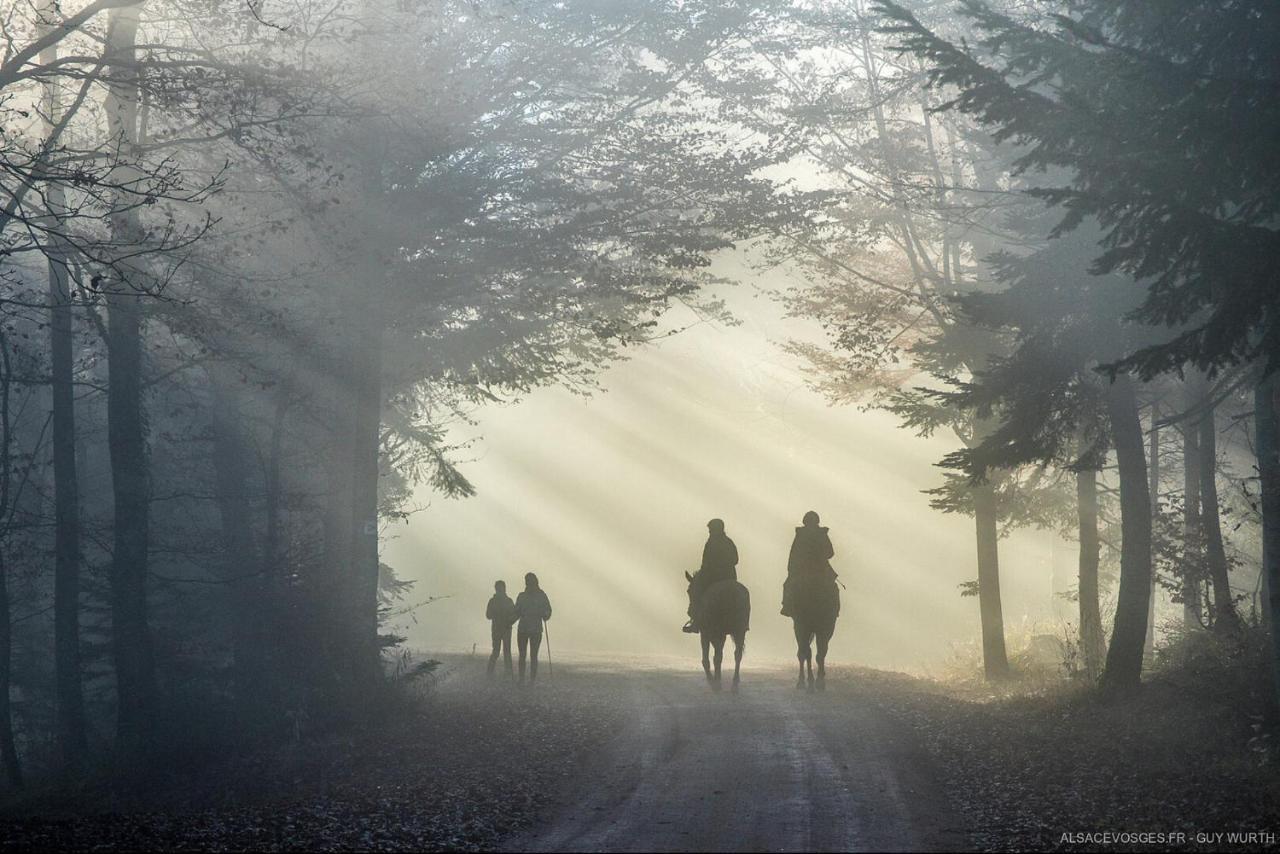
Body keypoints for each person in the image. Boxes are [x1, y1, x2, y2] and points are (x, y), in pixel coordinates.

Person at [683, 518, 739, 633]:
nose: (709, 533)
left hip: (714, 578)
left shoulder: (710, 543)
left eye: (711, 530)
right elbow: (736, 559)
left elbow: (705, 563)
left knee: (698, 593)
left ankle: (695, 622)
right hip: (730, 577)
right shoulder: (729, 542)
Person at [781, 510, 837, 617]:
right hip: (820, 569)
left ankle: (787, 606)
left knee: (788, 585)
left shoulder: (801, 535)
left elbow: (793, 554)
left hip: (805, 570)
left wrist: (791, 570)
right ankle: (834, 610)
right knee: (833, 588)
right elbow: (830, 553)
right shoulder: (821, 534)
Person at [514, 572, 552, 685]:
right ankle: (526, 679)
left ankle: (528, 680)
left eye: (528, 581)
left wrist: (546, 615)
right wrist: (546, 615)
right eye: (527, 581)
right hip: (529, 629)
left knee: (529, 655)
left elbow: (548, 610)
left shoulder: (525, 596)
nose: (527, 583)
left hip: (528, 629)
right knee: (527, 655)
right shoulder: (539, 595)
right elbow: (517, 612)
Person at [485, 580, 517, 679]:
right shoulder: (508, 601)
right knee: (502, 651)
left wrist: (509, 621)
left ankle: (492, 672)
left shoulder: (494, 601)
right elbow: (488, 615)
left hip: (501, 628)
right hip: (503, 629)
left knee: (499, 651)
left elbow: (488, 615)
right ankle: (506, 673)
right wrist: (509, 621)